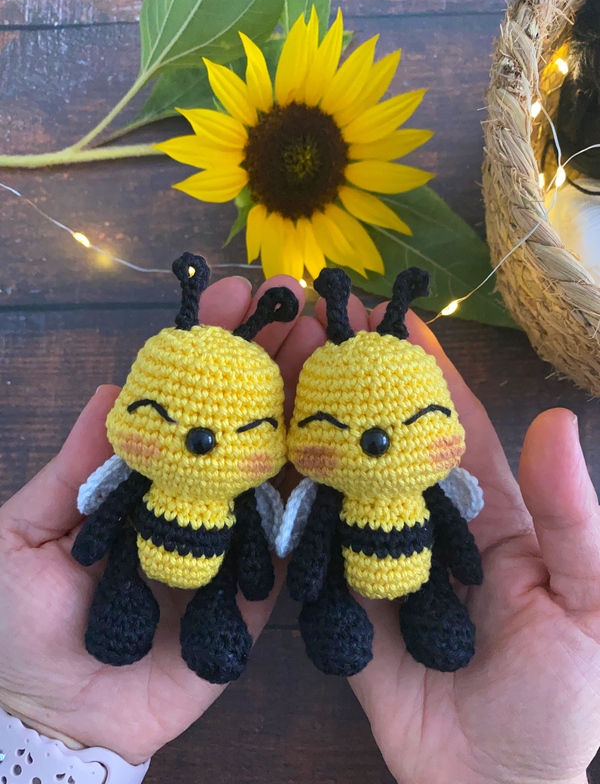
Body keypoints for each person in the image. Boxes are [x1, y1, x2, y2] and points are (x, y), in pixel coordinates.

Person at [0, 273, 599, 784]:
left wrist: (461, 562)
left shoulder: (408, 491)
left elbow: (435, 529)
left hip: (413, 568)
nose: (203, 440)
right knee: (153, 579)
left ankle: (403, 605)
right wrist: (45, 715)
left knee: (417, 590)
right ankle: (190, 605)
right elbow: (127, 515)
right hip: (152, 555)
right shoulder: (180, 482)